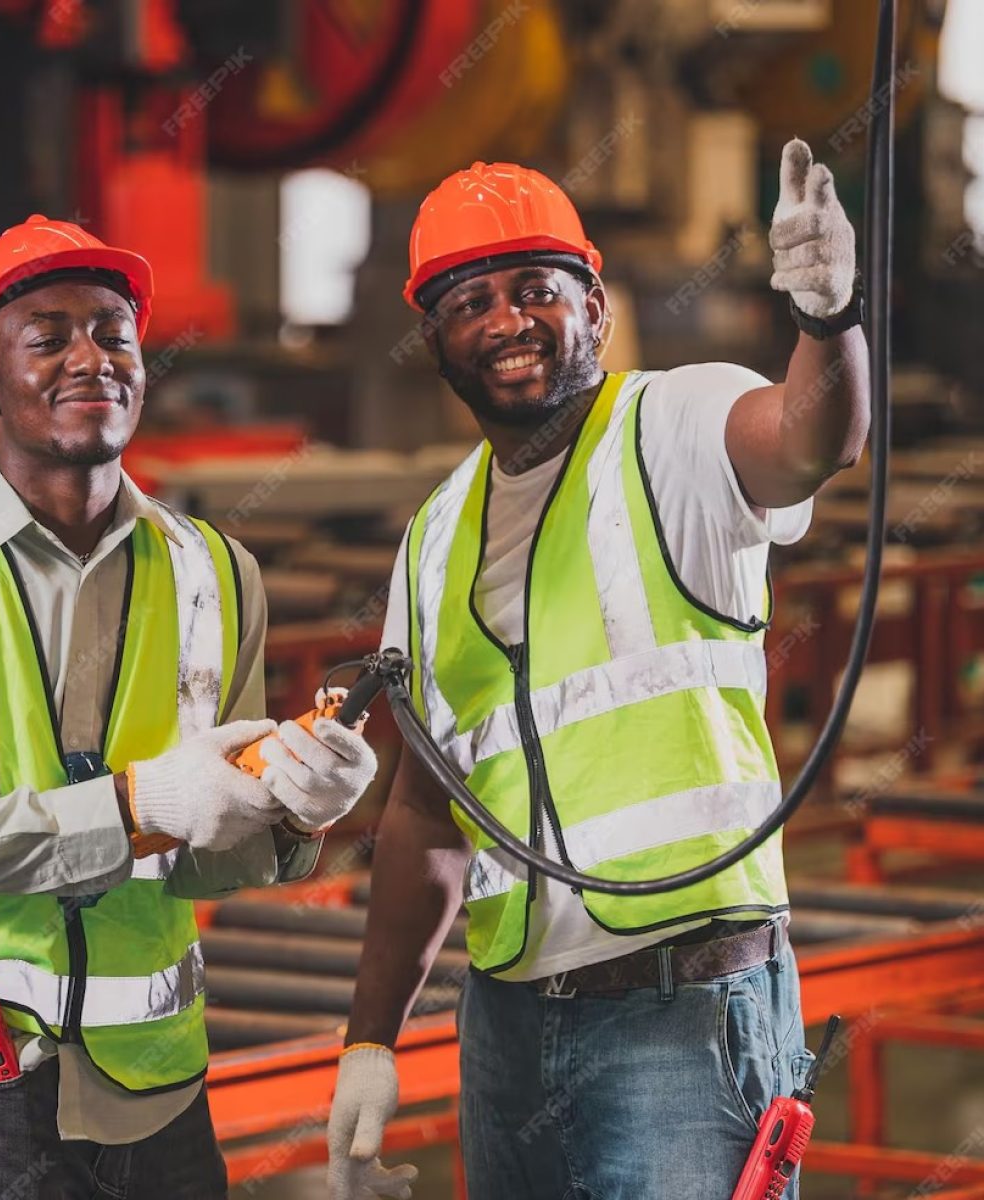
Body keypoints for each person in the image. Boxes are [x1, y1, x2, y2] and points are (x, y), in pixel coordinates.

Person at [326, 147, 869, 1200]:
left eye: (537, 290)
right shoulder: (433, 537)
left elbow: (812, 439)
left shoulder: (673, 425)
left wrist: (828, 318)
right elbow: (426, 810)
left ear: (595, 305)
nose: (508, 322)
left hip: (685, 1011)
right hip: (509, 1025)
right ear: (433, 340)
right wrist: (370, 1041)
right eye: (470, 302)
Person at [0, 215, 376, 1199]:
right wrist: (135, 805)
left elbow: (212, 853)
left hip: (160, 1088)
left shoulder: (216, 574)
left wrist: (294, 806)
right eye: (49, 337)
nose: (93, 357)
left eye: (114, 334)